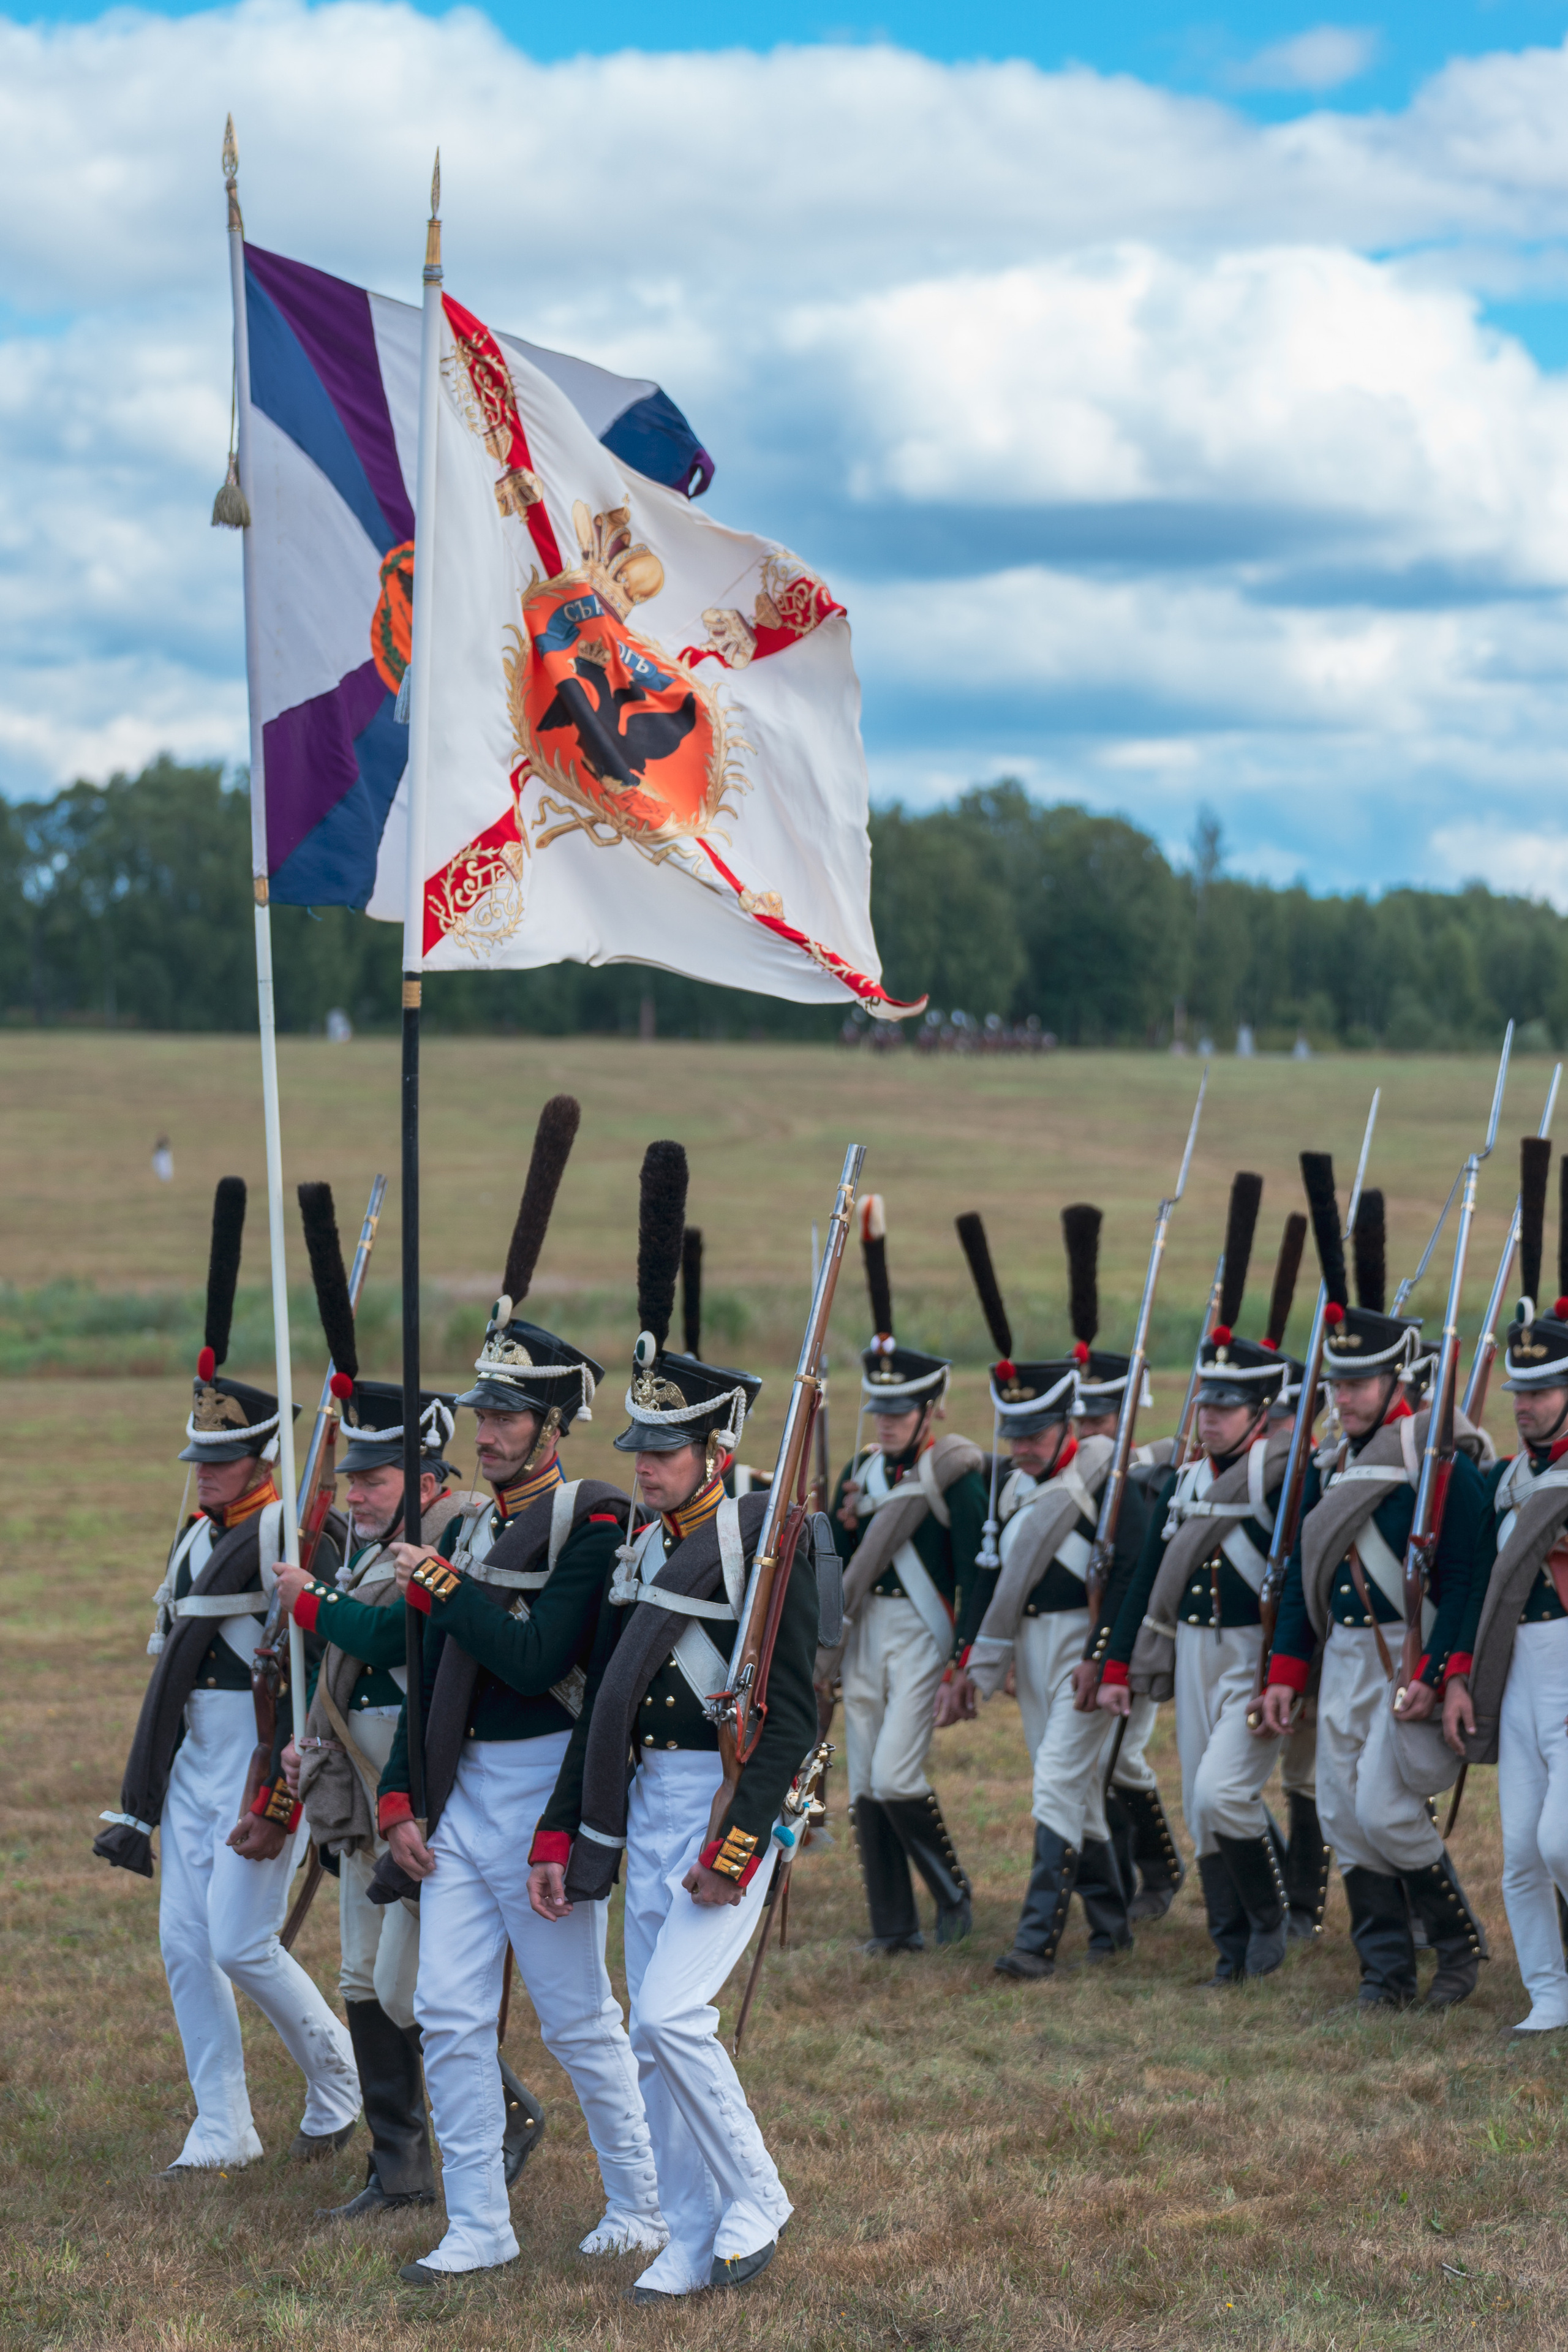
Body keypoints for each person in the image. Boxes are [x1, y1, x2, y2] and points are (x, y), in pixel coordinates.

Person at [369, 1098, 663, 2288]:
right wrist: (399, 1800)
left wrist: (444, 1583)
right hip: (459, 1797)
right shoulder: (462, 1522)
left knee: (577, 2019)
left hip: (544, 1789)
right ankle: (479, 2220)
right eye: (480, 1412)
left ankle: (640, 2201)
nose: (482, 1430)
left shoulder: (592, 1514)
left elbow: (542, 1659)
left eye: (504, 1414)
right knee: (444, 2014)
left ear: (550, 1425)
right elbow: (426, 1679)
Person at [527, 1140, 821, 2304]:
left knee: (668, 2013)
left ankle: (760, 2194)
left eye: (665, 1446)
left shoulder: (767, 1544)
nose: (643, 1465)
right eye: (637, 1446)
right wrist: (571, 1824)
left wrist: (735, 1844)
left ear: (717, 1446)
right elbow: (602, 1700)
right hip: (645, 1801)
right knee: (651, 2036)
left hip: (723, 1802)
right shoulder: (640, 1545)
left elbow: (793, 1717)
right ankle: (694, 2238)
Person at [94, 1178, 360, 2171]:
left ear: (259, 1457)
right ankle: (224, 2124)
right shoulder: (201, 1532)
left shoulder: (293, 1526)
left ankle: (337, 2076)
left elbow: (322, 1646)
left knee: (242, 1942)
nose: (201, 1472)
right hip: (191, 1761)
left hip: (258, 1754)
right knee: (183, 1946)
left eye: (219, 1459)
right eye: (197, 1457)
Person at [279, 1372, 547, 2218]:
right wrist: (311, 1743)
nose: (356, 1492)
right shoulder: (367, 1553)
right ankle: (397, 2167)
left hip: (422, 1793)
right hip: (362, 1796)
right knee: (361, 1979)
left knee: (407, 1990)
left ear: (428, 1482)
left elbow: (403, 1629)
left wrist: (310, 1604)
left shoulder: (457, 1538)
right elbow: (347, 1672)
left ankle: (511, 2114)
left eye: (376, 1478)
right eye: (353, 1478)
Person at [1258, 1159, 1489, 2009]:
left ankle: (1458, 1952)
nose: (1342, 1397)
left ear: (1396, 1381)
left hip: (1407, 1656)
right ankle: (1385, 1973)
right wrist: (1287, 1670)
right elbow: (1303, 1581)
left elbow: (1468, 1577)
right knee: (1344, 1819)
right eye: (1338, 1382)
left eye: (1356, 1383)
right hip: (1348, 1658)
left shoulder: (1437, 1465)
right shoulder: (1328, 1466)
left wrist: (1438, 1673)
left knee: (1389, 1815)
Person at [948, 1205, 1149, 1977]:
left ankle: (1036, 1940)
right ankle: (1112, 1925)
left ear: (1065, 1424)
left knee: (1060, 1778)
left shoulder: (1106, 1477)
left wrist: (1106, 1657)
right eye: (1014, 1438)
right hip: (1028, 1651)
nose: (1022, 1450)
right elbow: (986, 1578)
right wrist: (970, 1656)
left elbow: (1130, 1576)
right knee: (1067, 1786)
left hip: (1081, 1646)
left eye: (1034, 1437)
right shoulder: (1010, 1485)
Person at [825, 1195, 991, 1952]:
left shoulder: (952, 1473)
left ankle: (952, 1895)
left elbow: (977, 1570)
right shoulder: (860, 1469)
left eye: (901, 1410)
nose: (886, 1420)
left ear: (931, 1409)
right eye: (879, 1408)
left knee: (895, 1775)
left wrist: (967, 1658)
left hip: (925, 1633)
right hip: (865, 1635)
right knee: (862, 1785)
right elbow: (834, 1554)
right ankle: (894, 1927)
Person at [1444, 1150, 1568, 2035]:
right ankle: (1551, 1994)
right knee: (1521, 1849)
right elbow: (1470, 1584)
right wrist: (1454, 1671)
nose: (1525, 1405)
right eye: (1520, 1390)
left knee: (1562, 1841)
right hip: (1514, 1670)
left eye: (1545, 1389)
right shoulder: (1506, 1481)